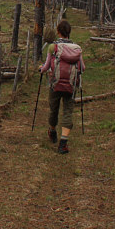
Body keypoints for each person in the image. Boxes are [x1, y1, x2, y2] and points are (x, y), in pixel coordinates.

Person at [39, 19, 84, 154]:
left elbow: (46, 67)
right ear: (69, 32)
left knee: (54, 109)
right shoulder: (77, 49)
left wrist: (41, 69)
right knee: (68, 111)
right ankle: (63, 143)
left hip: (55, 83)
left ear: (58, 32)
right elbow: (82, 68)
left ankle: (52, 130)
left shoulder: (53, 47)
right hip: (70, 85)